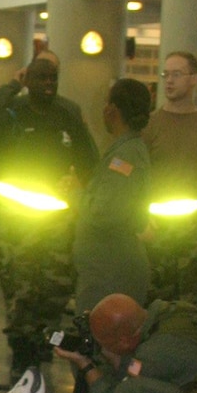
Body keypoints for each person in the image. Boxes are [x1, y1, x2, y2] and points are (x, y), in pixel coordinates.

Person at [0, 52, 98, 375]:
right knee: (20, 287)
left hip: (57, 219)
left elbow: (90, 164)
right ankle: (21, 348)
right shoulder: (11, 116)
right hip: (16, 219)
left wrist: (78, 189)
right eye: (41, 78)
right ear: (27, 80)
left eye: (53, 79)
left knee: (55, 286)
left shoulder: (67, 115)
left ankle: (45, 342)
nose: (48, 85)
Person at [144, 50, 197, 303]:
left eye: (177, 74)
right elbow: (139, 179)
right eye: (165, 74)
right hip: (158, 228)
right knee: (158, 301)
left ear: (194, 79)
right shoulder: (150, 124)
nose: (169, 81)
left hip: (196, 229)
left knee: (194, 302)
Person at [72, 77, 153, 314]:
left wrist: (74, 193)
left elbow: (104, 212)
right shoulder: (127, 149)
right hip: (108, 270)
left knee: (101, 342)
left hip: (110, 274)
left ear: (112, 110)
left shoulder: (124, 157)